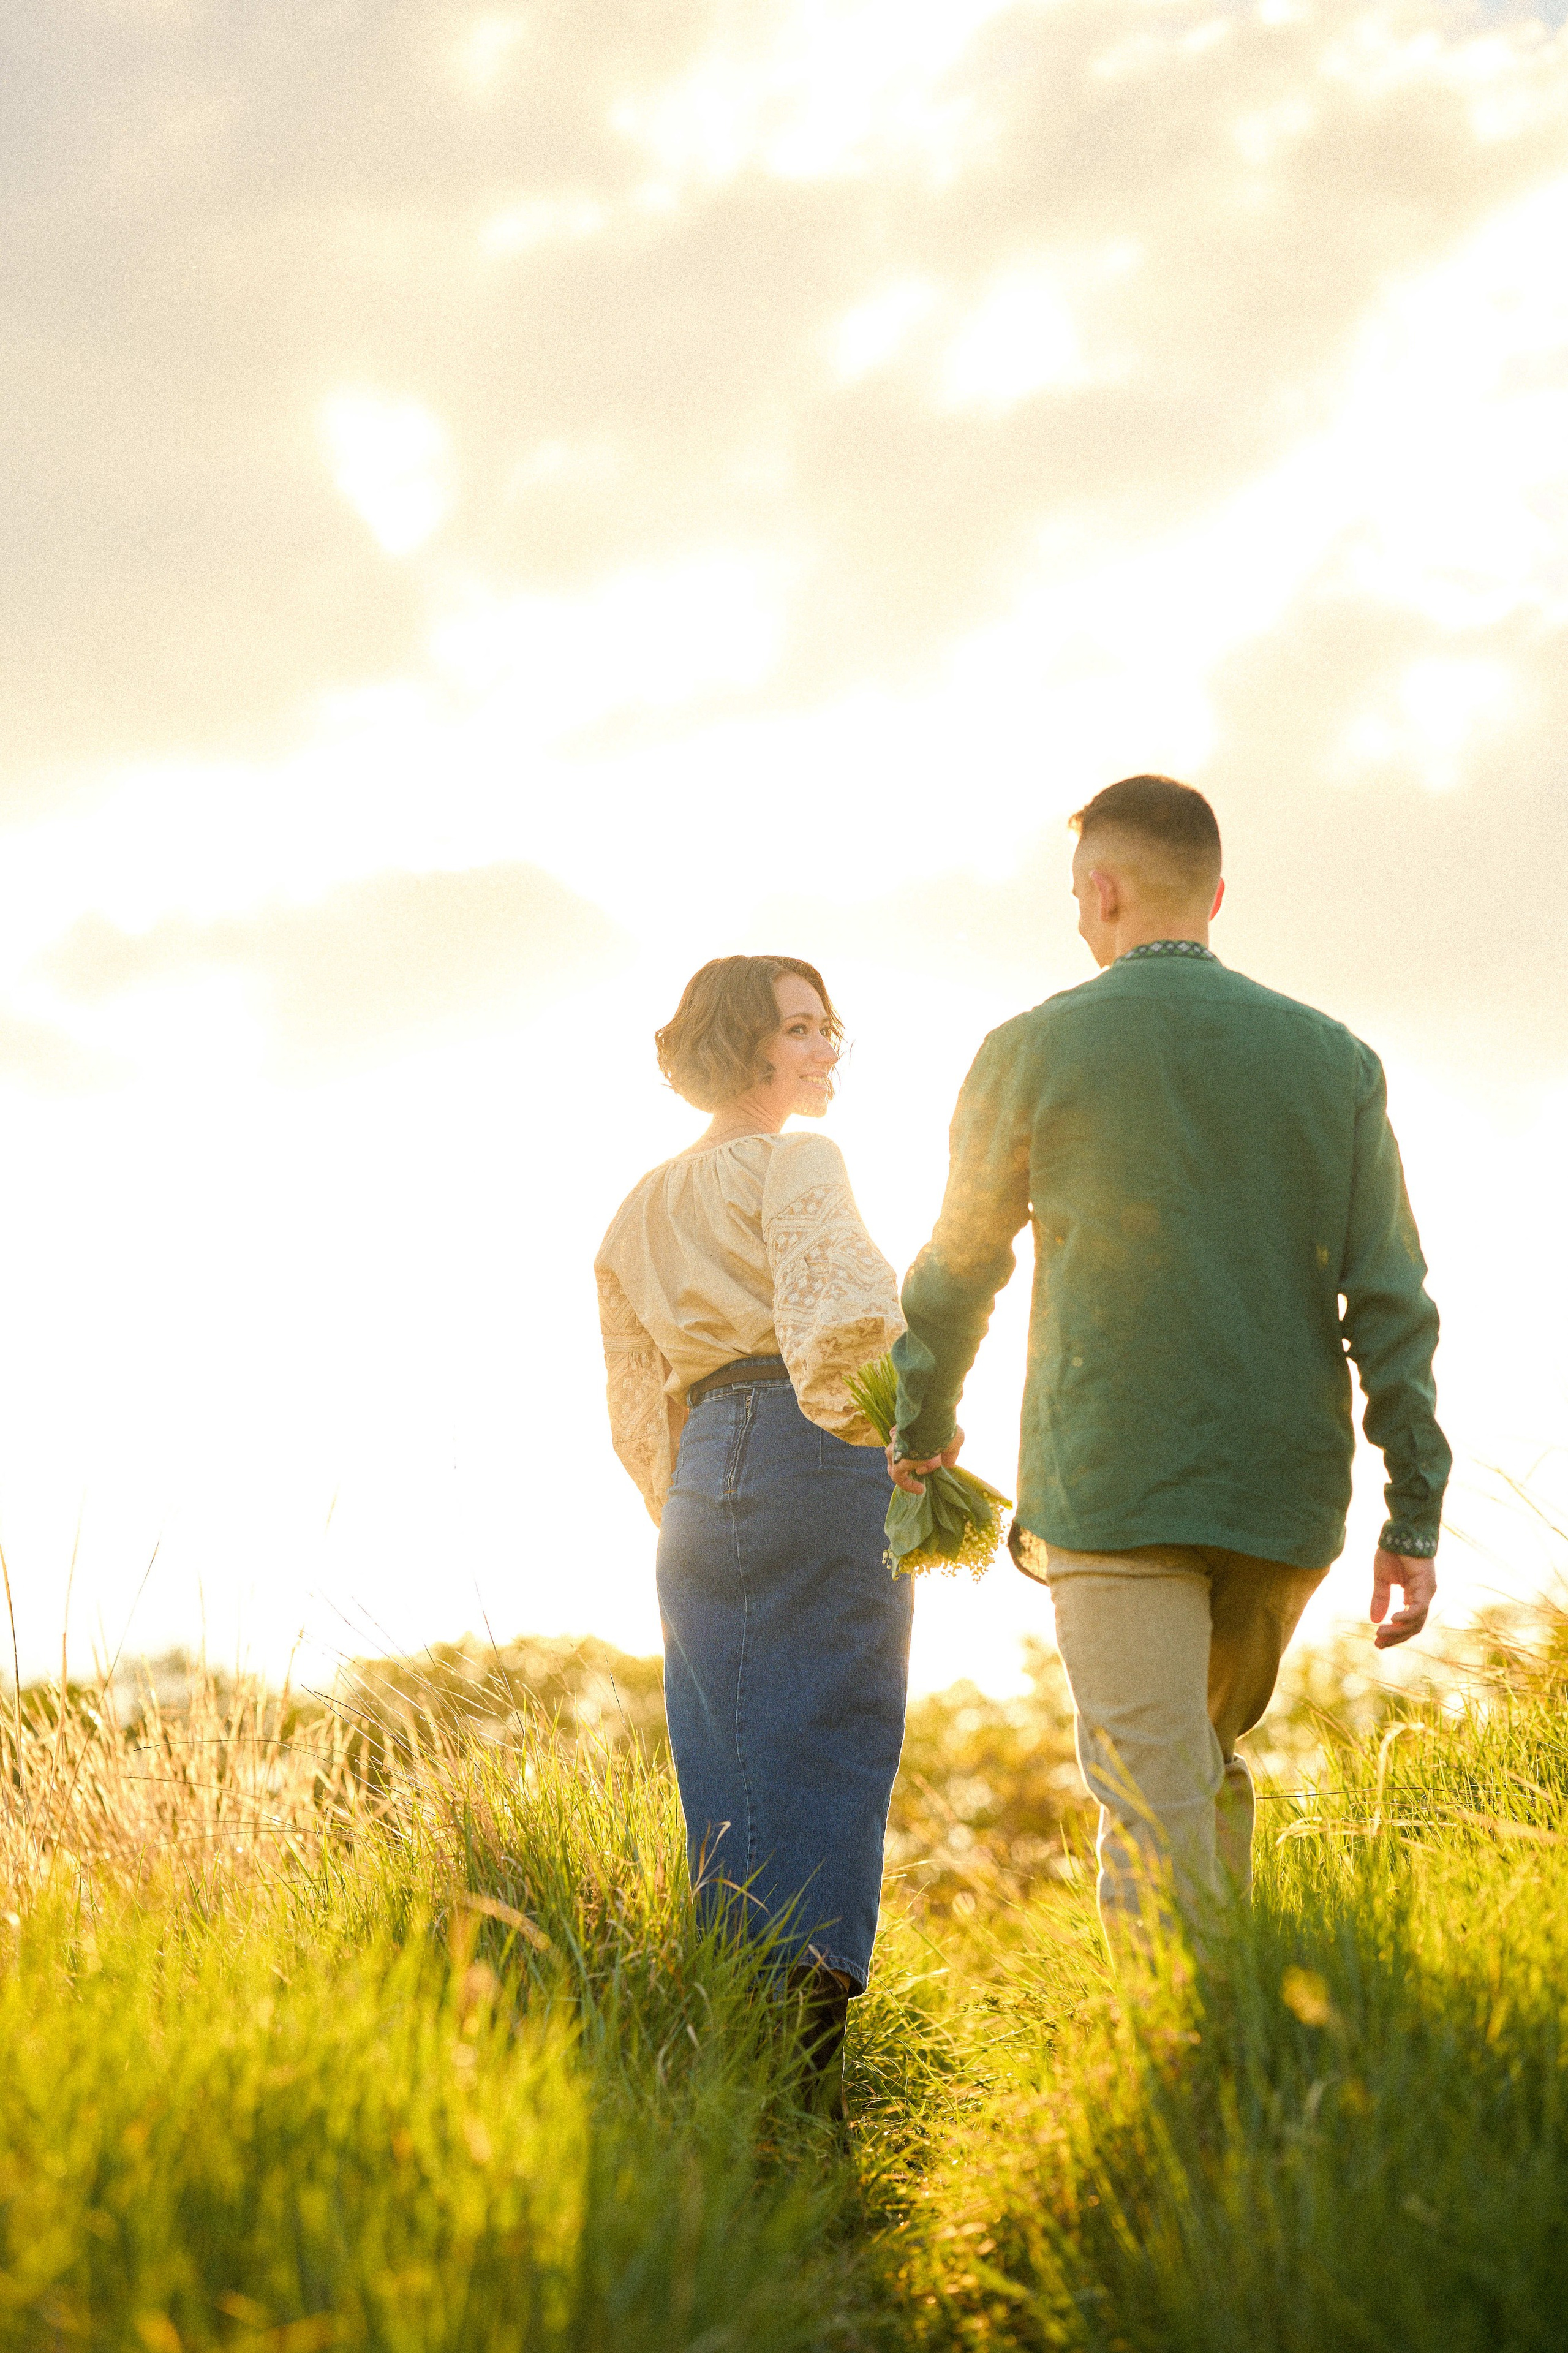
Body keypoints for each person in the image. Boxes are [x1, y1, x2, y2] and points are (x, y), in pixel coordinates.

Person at [889, 775, 1451, 1949]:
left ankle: (1177, 2090)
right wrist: (1414, 1514)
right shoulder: (1335, 1058)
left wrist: (923, 1418)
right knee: (1196, 1764)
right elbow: (1392, 1299)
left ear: (1100, 890)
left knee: (1150, 1796)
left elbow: (960, 1264)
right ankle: (1245, 2053)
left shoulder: (1031, 1047)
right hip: (1282, 1498)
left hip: (1117, 1479)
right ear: (1217, 894)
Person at [595, 954, 911, 2112]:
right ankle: (809, 2066)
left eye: (832, 1029)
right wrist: (901, 1445)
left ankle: (733, 2042)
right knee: (834, 1728)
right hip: (815, 1442)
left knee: (725, 1742)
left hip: (701, 1479)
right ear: (747, 1047)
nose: (826, 1051)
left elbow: (637, 1403)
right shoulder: (800, 1160)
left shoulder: (635, 1207)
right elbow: (846, 1318)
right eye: (801, 1029)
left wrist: (686, 1494)